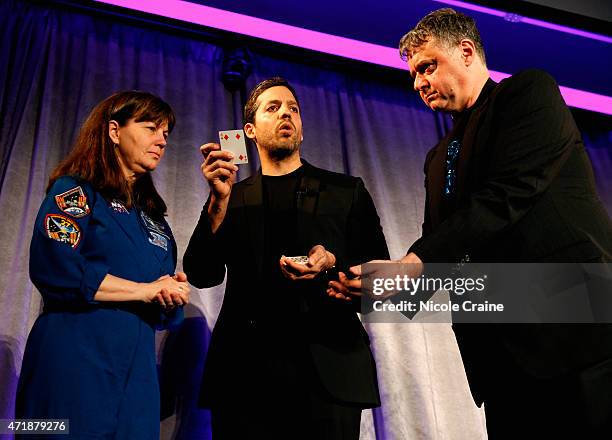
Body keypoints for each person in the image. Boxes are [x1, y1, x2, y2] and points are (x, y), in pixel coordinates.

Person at [329, 8, 612, 439]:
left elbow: (507, 196)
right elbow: (444, 253)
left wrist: (410, 265)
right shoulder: (437, 157)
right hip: (502, 359)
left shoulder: (528, 93)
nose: (418, 82)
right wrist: (376, 289)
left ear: (465, 52)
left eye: (427, 66)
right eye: (413, 74)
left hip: (576, 330)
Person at [183, 77, 389, 439]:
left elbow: (381, 281)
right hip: (245, 377)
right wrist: (217, 203)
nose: (286, 115)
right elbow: (202, 273)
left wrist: (332, 264)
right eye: (273, 108)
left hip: (328, 373)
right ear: (249, 130)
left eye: (293, 109)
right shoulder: (231, 196)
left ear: (302, 129)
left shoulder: (346, 191)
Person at [16, 91, 190, 439]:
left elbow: (162, 304)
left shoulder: (154, 220)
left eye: (166, 133)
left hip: (135, 377)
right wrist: (145, 290)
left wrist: (173, 294)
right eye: (150, 127)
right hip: (72, 362)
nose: (161, 140)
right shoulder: (75, 192)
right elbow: (55, 267)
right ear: (114, 131)